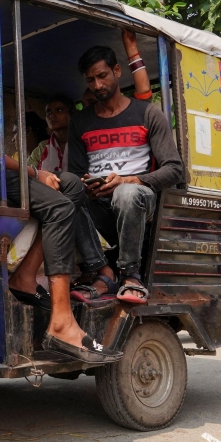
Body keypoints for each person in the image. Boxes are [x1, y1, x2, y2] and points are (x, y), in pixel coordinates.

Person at [0, 6, 124, 337]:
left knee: (70, 186)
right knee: (60, 206)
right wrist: (32, 173)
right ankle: (62, 317)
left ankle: (28, 275)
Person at [68, 43, 184, 301]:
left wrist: (133, 179)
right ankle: (102, 271)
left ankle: (131, 275)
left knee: (127, 194)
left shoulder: (148, 114)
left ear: (117, 71)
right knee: (64, 195)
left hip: (140, 201)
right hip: (100, 204)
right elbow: (75, 173)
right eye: (90, 80)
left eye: (102, 76)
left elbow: (174, 169)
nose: (97, 85)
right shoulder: (79, 121)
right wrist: (87, 185)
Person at [28, 96, 73, 173]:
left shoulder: (80, 142)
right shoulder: (42, 147)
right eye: (48, 112)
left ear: (71, 114)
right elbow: (28, 171)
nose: (52, 116)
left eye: (59, 110)